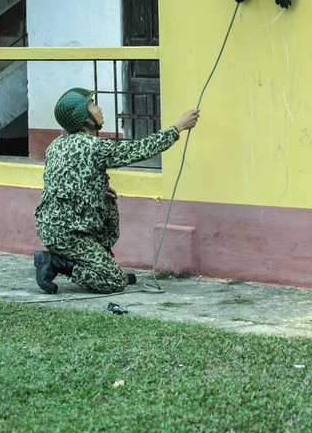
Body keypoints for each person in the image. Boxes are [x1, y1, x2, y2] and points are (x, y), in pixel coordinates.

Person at [34, 87, 199, 295]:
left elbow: (62, 180)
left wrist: (95, 187)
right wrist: (179, 127)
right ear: (81, 116)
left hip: (52, 227)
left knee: (108, 201)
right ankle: (56, 263)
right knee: (114, 281)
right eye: (92, 105)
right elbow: (139, 150)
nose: (99, 108)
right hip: (69, 233)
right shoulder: (94, 147)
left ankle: (101, 263)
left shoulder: (56, 144)